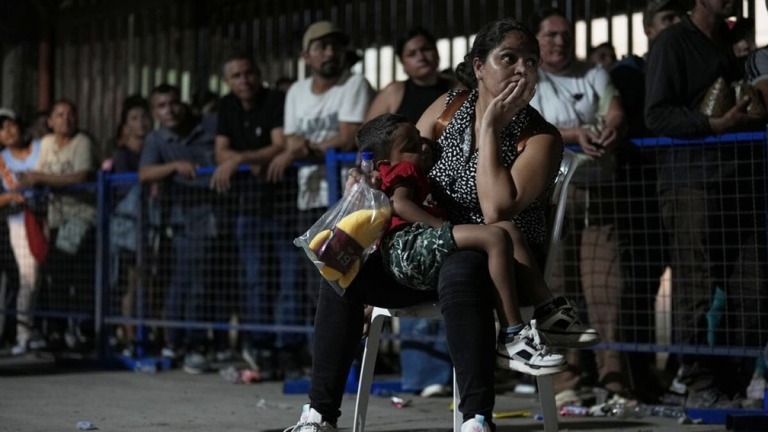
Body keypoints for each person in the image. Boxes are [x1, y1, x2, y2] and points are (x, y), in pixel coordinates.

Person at [283, 18, 598, 432]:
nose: (523, 70)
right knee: (340, 269)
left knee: (463, 268)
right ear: (479, 67)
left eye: (531, 62)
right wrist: (368, 177)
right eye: (509, 58)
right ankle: (319, 415)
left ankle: (476, 418)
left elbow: (495, 210)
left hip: (501, 264)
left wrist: (489, 128)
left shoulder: (540, 137)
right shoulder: (449, 106)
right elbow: (398, 157)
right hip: (425, 247)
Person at [358, 113, 566, 376]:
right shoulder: (404, 170)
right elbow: (400, 204)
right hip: (410, 245)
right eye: (411, 147)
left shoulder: (415, 174)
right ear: (385, 163)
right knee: (496, 237)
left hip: (413, 252)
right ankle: (512, 334)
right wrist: (443, 229)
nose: (423, 147)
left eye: (421, 140)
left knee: (506, 229)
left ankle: (548, 309)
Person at [645, 0, 766, 408]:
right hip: (691, 182)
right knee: (694, 285)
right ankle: (697, 381)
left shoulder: (733, 42)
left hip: (740, 183)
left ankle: (735, 378)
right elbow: (657, 116)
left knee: (752, 286)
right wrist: (712, 125)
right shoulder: (672, 43)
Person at [527, 7, 629, 406]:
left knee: (606, 285)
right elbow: (529, 124)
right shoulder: (530, 77)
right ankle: (564, 376)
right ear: (537, 39)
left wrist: (610, 129)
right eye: (550, 34)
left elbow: (615, 109)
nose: (559, 41)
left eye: (564, 34)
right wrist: (573, 133)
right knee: (558, 288)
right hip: (551, 197)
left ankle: (614, 376)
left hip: (597, 193)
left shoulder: (593, 73)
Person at [266, 21, 373, 355]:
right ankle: (319, 354)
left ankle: (352, 355)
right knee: (312, 281)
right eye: (321, 46)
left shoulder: (354, 84)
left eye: (335, 46)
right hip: (309, 197)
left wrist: (302, 148)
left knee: (347, 278)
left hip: (347, 199)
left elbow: (347, 135)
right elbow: (289, 137)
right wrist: (302, 146)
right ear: (306, 56)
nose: (330, 52)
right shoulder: (296, 92)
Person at [364, 26, 456, 397]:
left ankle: (453, 372)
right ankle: (423, 375)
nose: (423, 56)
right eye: (413, 52)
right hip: (407, 195)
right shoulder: (395, 93)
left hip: (438, 187)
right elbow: (368, 137)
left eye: (427, 49)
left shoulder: (451, 90)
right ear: (402, 60)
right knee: (417, 270)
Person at [209, 54, 304, 378]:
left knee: (289, 282)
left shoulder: (276, 99)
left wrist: (238, 160)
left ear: (258, 73)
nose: (244, 80)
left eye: (249, 72)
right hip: (247, 209)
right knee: (255, 283)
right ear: (227, 81)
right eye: (236, 75)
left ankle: (288, 348)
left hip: (284, 206)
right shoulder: (226, 106)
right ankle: (260, 346)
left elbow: (279, 145)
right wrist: (243, 159)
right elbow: (219, 150)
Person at [138, 83, 218, 375]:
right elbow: (144, 173)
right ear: (154, 111)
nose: (169, 110)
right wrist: (174, 167)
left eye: (173, 103)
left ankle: (197, 343)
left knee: (210, 284)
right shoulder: (157, 140)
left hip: (218, 215)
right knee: (188, 283)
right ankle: (186, 343)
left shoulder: (207, 126)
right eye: (161, 106)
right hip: (185, 222)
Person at [18, 99, 97, 352]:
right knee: (57, 276)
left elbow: (81, 175)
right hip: (55, 217)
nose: (66, 119)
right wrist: (33, 180)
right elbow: (39, 176)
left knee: (70, 272)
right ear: (50, 121)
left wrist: (41, 178)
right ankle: (57, 331)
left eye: (71, 114)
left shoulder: (82, 142)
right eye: (60, 115)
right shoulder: (47, 144)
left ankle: (80, 331)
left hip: (80, 216)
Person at [108, 94, 152, 356]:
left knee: (149, 281)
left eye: (144, 117)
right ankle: (130, 333)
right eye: (134, 119)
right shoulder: (122, 155)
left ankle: (149, 331)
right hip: (127, 227)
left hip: (151, 226)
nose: (141, 123)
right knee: (131, 282)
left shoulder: (154, 149)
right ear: (126, 126)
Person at [0, 112, 44, 355]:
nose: (8, 131)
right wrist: (9, 197)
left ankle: (47, 330)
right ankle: (23, 333)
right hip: (20, 221)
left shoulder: (40, 147)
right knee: (29, 276)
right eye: (2, 128)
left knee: (51, 278)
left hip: (49, 216)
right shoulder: (1, 160)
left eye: (11, 125)